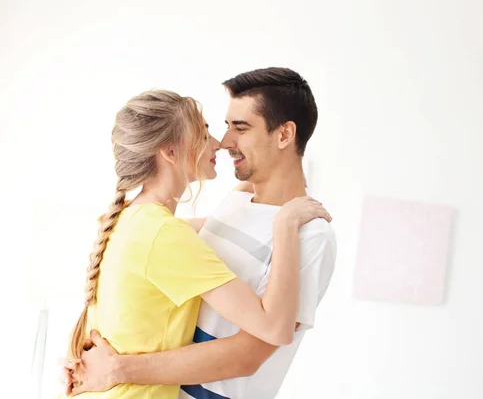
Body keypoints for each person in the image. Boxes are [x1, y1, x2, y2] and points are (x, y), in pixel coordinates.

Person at [66, 67, 337, 399]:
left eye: (240, 128)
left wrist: (115, 368)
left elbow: (248, 355)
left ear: (283, 135)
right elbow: (160, 246)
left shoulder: (309, 236)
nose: (222, 143)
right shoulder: (185, 223)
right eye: (216, 128)